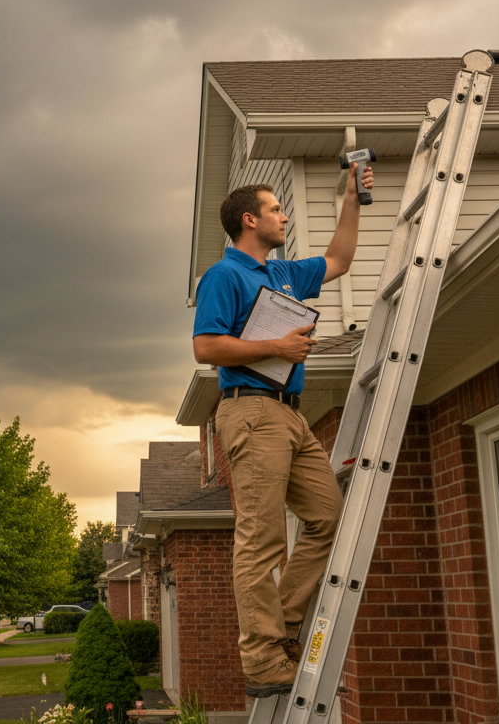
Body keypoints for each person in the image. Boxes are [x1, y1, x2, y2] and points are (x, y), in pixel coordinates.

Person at [192, 163, 374, 698]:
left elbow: (340, 259)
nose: (284, 216)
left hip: (289, 413)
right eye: (276, 209)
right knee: (261, 537)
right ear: (250, 220)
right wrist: (277, 347)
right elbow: (206, 347)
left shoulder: (284, 275)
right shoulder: (224, 277)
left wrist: (351, 198)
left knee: (327, 516)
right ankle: (263, 661)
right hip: (250, 411)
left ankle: (286, 628)